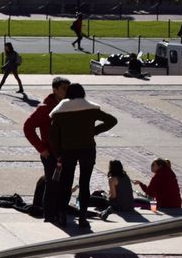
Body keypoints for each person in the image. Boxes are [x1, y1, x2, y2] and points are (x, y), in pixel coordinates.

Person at [48, 83, 118, 228]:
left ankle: (62, 214)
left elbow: (53, 136)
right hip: (87, 149)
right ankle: (82, 217)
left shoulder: (61, 111)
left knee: (66, 183)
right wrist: (94, 131)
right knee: (85, 184)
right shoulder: (90, 109)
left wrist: (57, 153)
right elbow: (112, 120)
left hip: (68, 150)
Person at [22, 76, 71, 210]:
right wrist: (41, 148)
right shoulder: (45, 108)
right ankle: (48, 213)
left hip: (66, 152)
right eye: (64, 88)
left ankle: (60, 210)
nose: (67, 91)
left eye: (68, 88)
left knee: (65, 184)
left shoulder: (69, 105)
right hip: (50, 154)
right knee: (52, 184)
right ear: (55, 90)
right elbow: (28, 127)